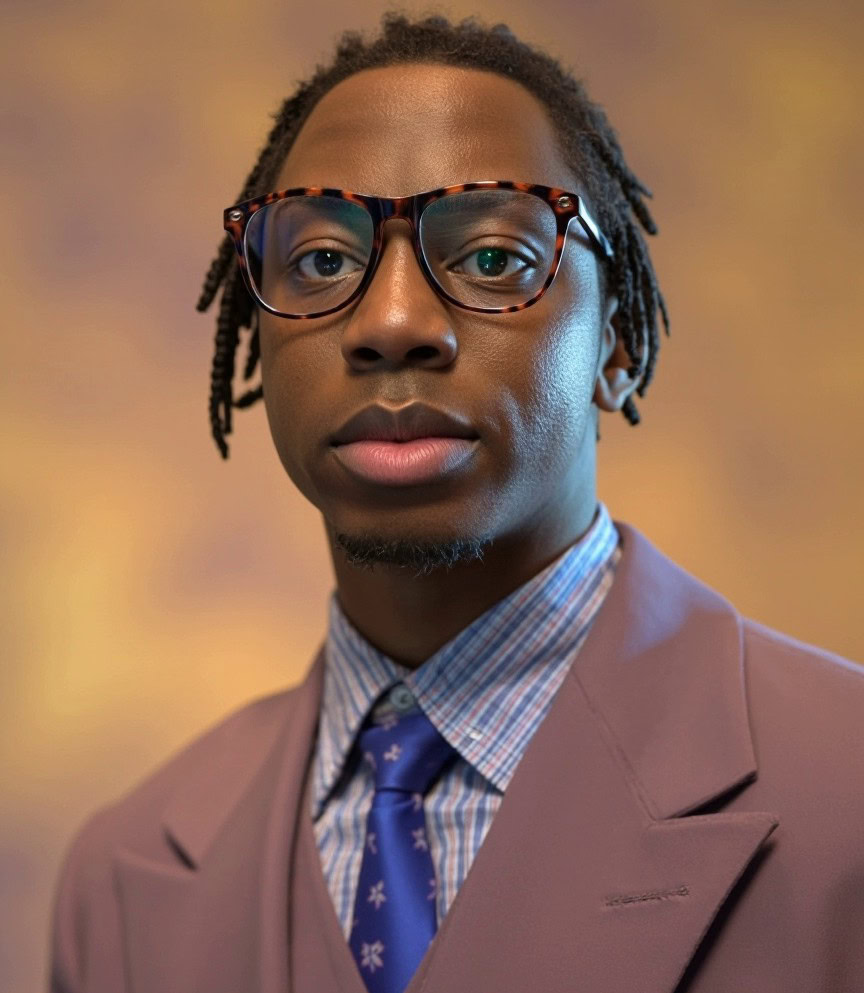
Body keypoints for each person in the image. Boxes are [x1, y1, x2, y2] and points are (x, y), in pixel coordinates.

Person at [48, 11, 864, 993]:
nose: (391, 322)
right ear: (256, 341)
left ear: (617, 346)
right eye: (321, 261)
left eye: (491, 258)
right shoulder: (118, 879)